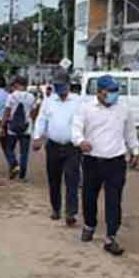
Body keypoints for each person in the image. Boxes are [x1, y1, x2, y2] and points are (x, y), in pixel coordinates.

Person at [72, 74, 139, 256]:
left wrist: (135, 150)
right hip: (92, 160)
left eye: (115, 91)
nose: (113, 95)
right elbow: (76, 128)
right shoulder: (86, 109)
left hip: (116, 161)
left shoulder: (124, 109)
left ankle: (111, 237)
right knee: (89, 196)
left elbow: (130, 132)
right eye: (109, 91)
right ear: (99, 92)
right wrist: (80, 141)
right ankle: (89, 225)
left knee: (114, 199)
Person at [33, 70, 83, 226]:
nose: (58, 88)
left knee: (72, 179)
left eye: (61, 85)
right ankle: (56, 208)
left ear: (68, 85)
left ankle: (71, 212)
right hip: (53, 146)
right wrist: (37, 137)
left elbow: (86, 121)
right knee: (54, 179)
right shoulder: (49, 101)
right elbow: (41, 120)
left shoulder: (79, 101)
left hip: (72, 147)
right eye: (56, 85)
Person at [0, 75, 37, 180]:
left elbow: (7, 113)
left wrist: (2, 126)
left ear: (17, 84)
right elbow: (33, 113)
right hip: (26, 128)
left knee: (9, 148)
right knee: (24, 153)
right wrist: (31, 123)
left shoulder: (11, 96)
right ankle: (22, 175)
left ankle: (14, 164)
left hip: (13, 128)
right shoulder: (31, 97)